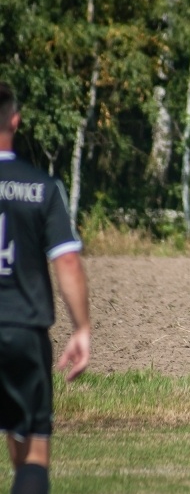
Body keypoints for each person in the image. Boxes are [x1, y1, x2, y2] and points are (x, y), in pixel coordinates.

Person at [0, 82, 91, 494]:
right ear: (15, 121)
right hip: (23, 332)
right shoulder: (41, 187)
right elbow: (67, 261)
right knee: (32, 455)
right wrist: (82, 328)